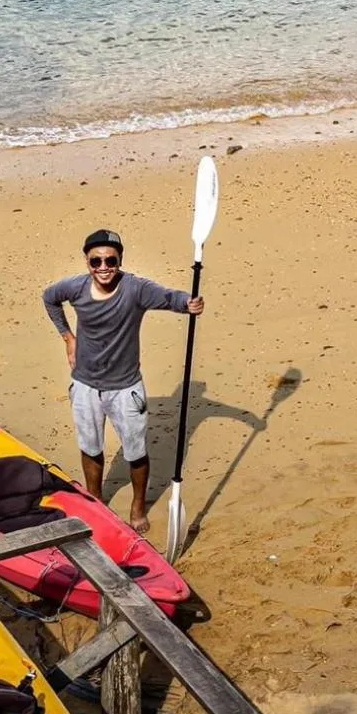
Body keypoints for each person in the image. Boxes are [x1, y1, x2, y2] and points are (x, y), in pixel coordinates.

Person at [42, 229, 204, 534]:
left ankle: (137, 506)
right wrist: (67, 337)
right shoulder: (74, 288)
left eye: (110, 260)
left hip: (126, 388)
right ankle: (95, 501)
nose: (103, 267)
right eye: (96, 261)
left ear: (120, 260)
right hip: (85, 385)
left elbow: (169, 298)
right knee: (90, 447)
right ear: (87, 262)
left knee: (135, 451)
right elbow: (49, 298)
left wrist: (189, 303)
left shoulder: (135, 289)